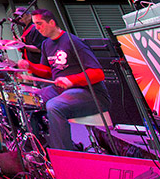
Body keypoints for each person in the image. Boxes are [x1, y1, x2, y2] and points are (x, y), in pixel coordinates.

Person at [18, 8, 109, 151]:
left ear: (52, 22)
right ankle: (37, 151)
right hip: (59, 90)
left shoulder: (73, 42)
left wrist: (71, 80)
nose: (37, 28)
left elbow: (98, 73)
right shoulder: (46, 44)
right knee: (27, 100)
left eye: (40, 23)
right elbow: (48, 72)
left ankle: (65, 155)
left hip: (89, 93)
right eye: (35, 24)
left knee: (54, 106)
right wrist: (31, 67)